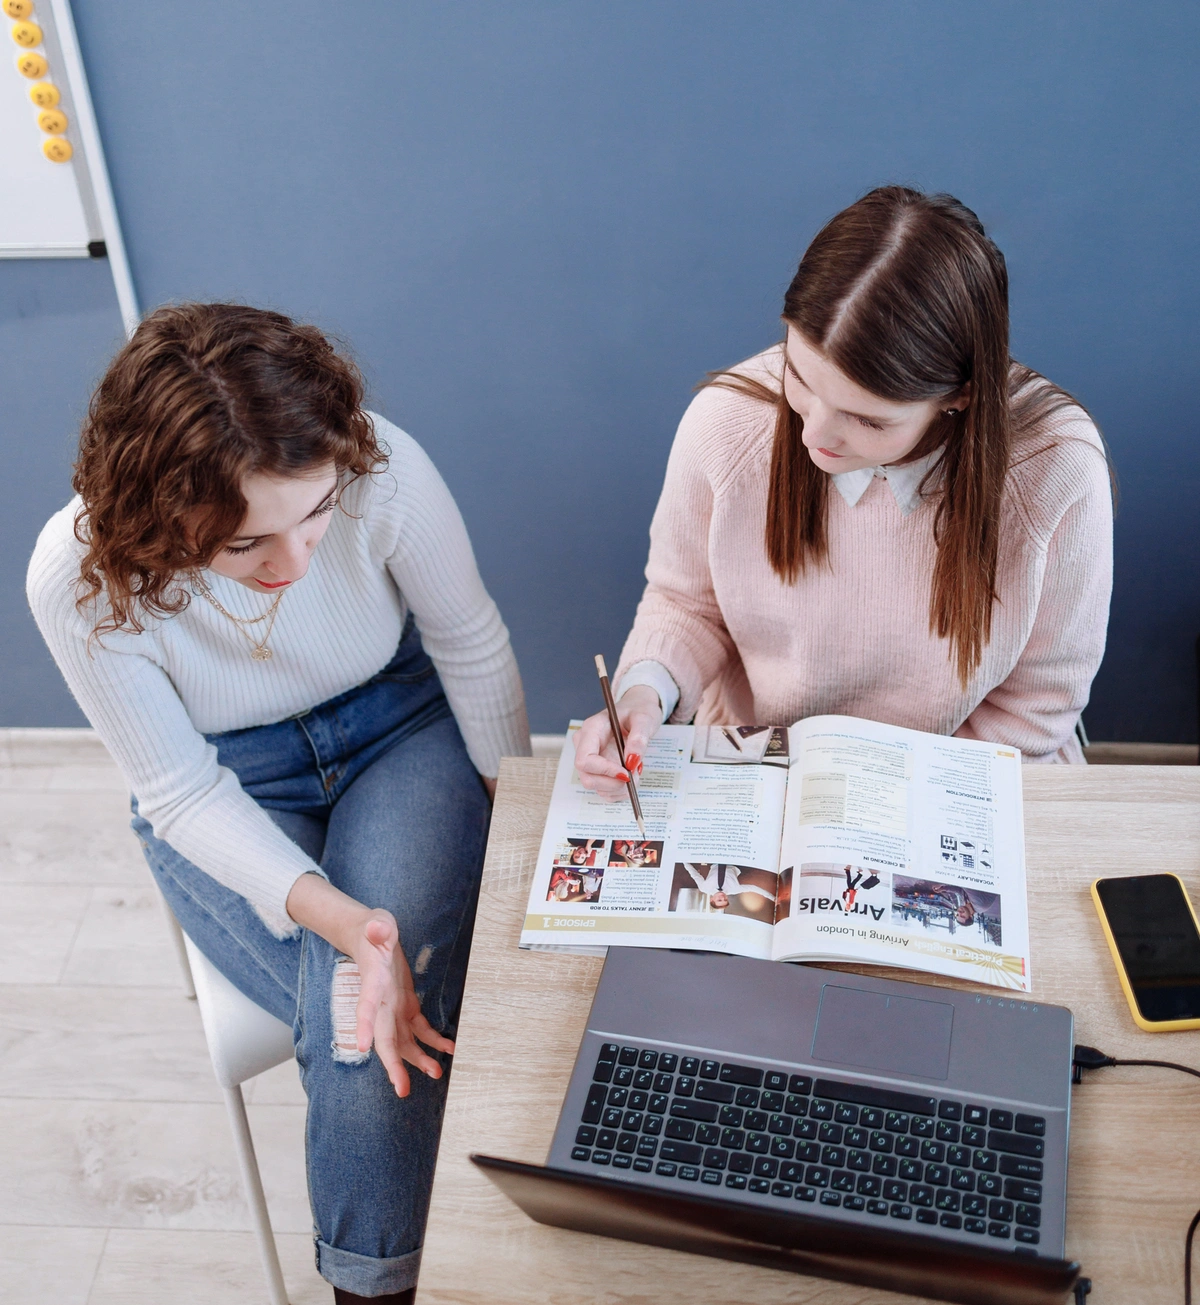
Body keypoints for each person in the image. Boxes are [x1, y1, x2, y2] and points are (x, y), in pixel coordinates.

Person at [26, 303, 530, 1304]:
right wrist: (351, 928)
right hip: (227, 785)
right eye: (246, 543)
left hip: (398, 729)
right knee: (360, 1028)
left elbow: (469, 642)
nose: (294, 562)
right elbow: (177, 790)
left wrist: (514, 835)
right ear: (157, 517)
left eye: (314, 514)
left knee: (370, 1029)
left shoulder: (383, 468)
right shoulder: (77, 579)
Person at [575, 187, 1112, 798]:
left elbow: (1037, 703)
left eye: (869, 420)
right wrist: (644, 693)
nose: (813, 435)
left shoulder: (1054, 468)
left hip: (969, 784)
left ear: (959, 395)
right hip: (762, 770)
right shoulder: (726, 424)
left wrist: (891, 801)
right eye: (798, 377)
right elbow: (686, 604)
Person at [682, 863, 777, 912]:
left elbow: (693, 873)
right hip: (734, 862)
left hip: (716, 862)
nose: (722, 897)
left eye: (719, 900)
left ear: (712, 900)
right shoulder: (735, 889)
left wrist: (683, 860)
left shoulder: (704, 888)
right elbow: (753, 888)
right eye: (725, 899)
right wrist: (773, 898)